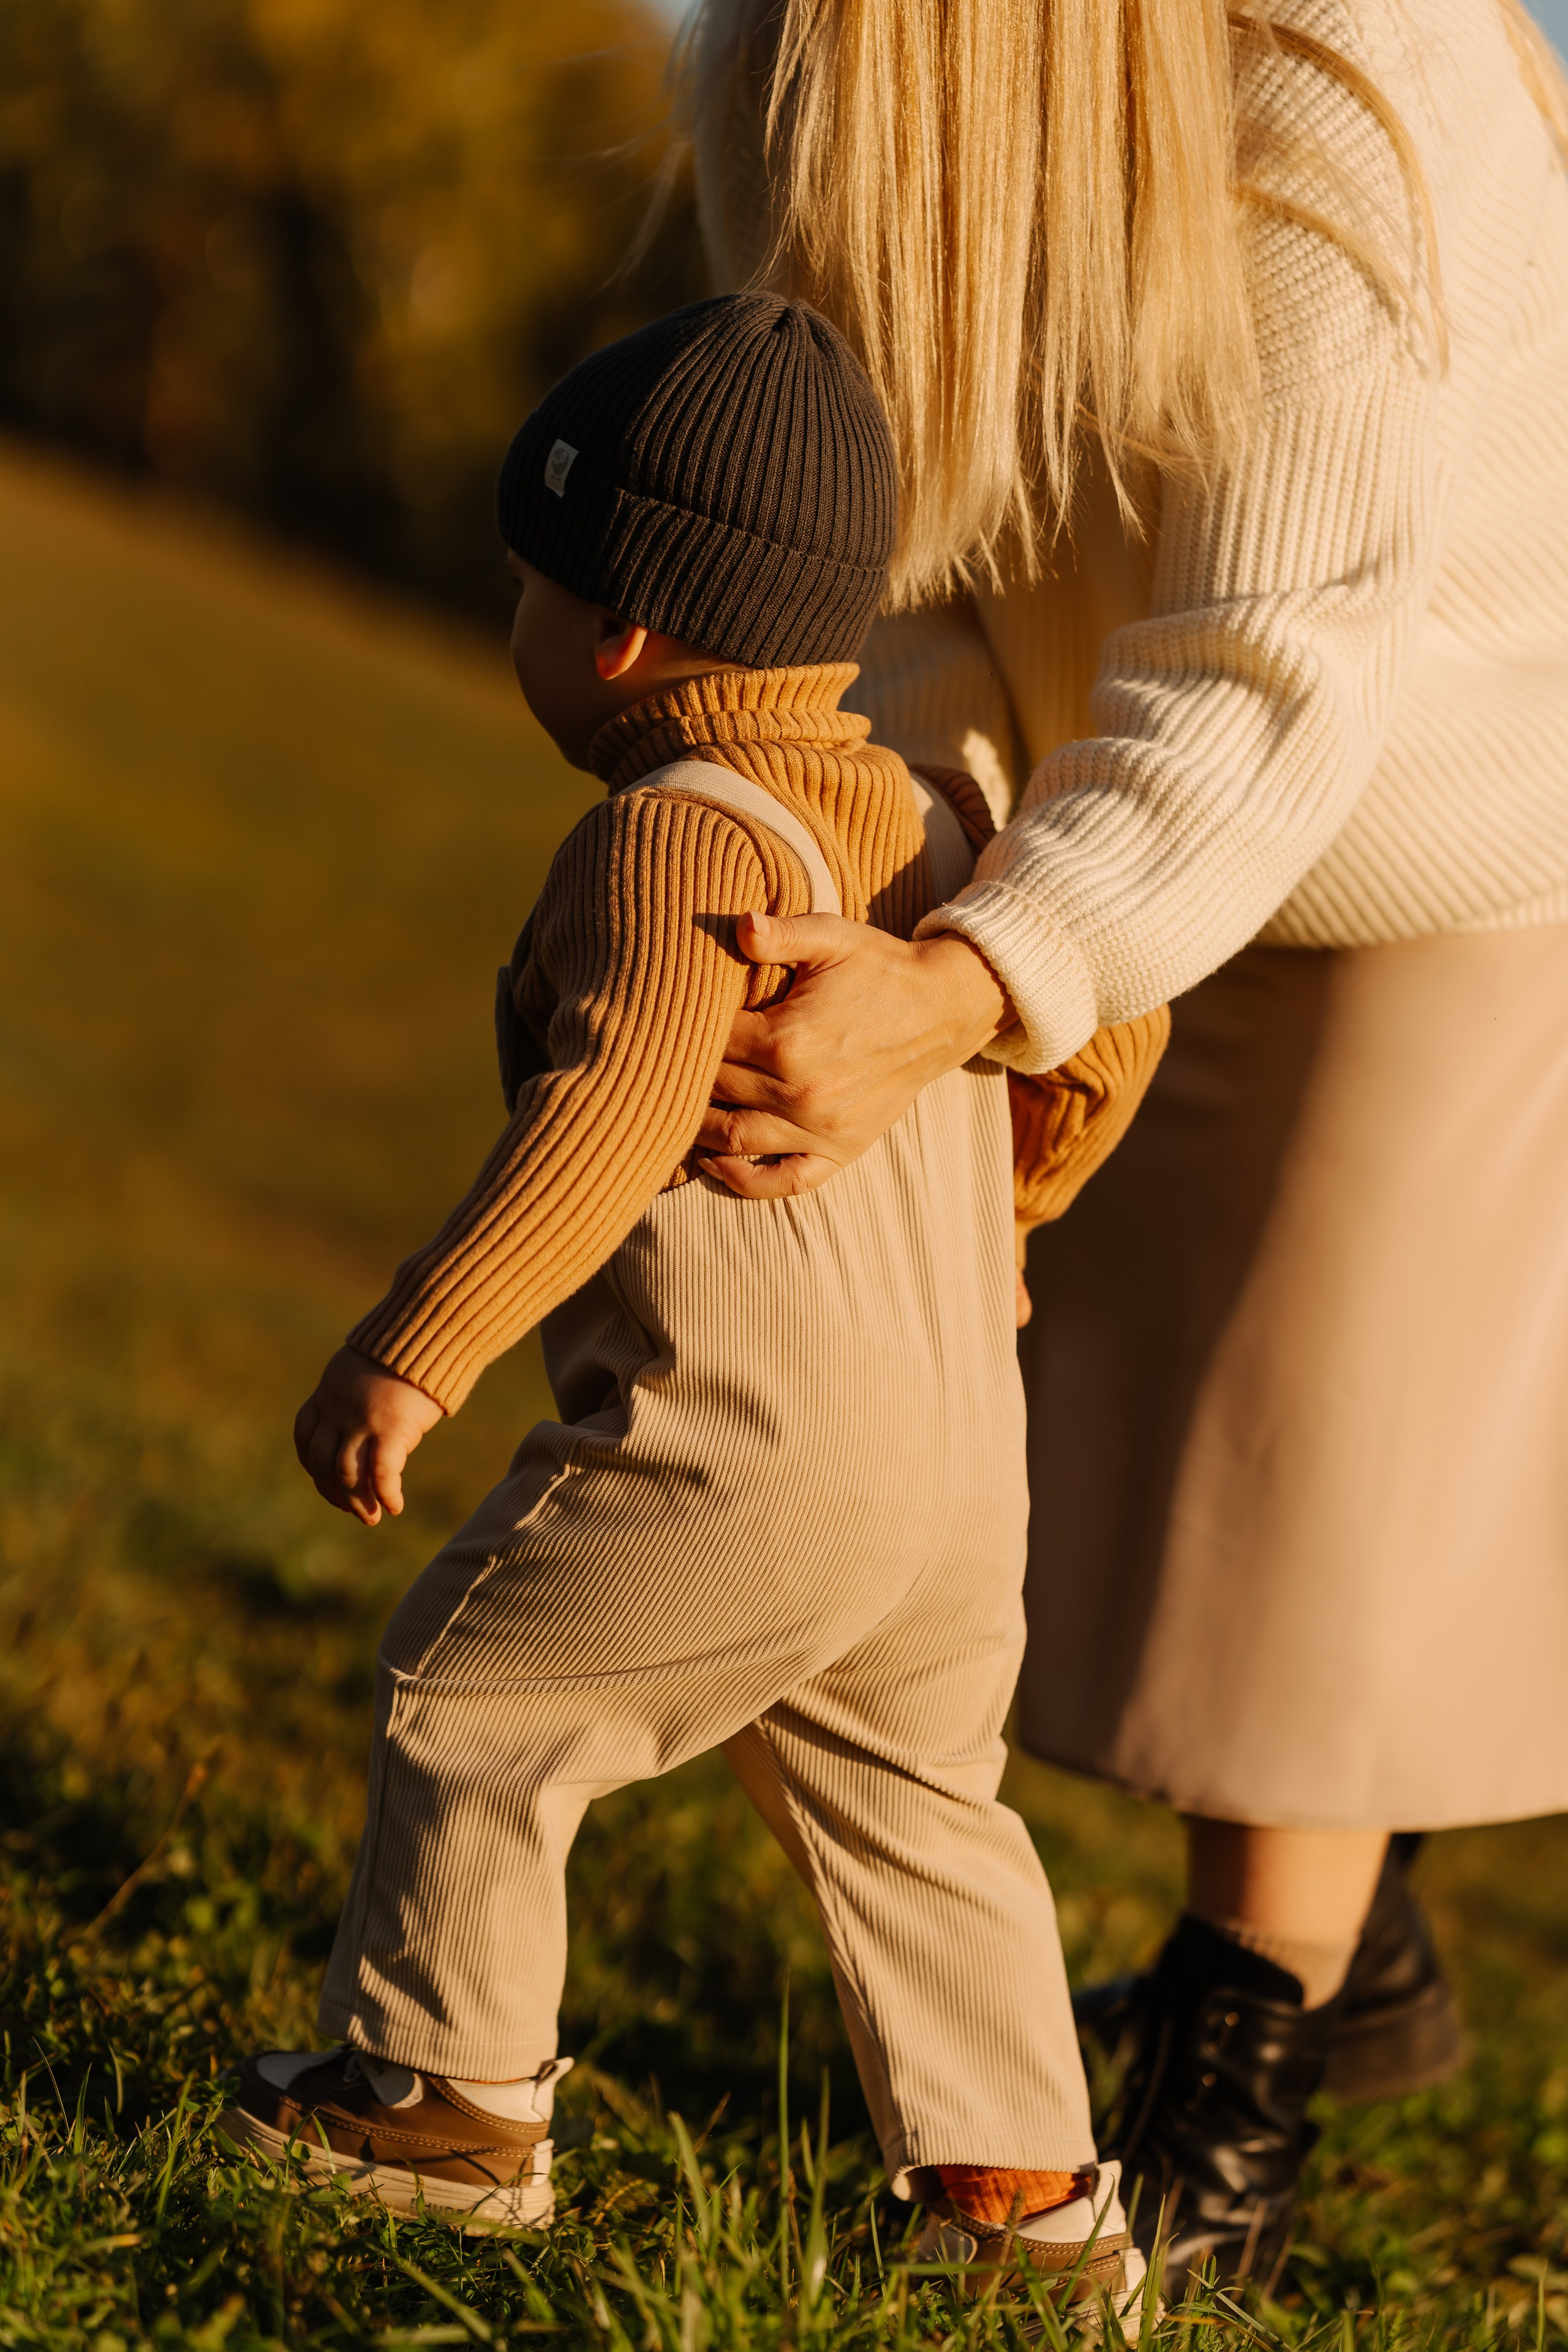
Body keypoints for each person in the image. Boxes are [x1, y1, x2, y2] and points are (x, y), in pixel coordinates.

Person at [679, 0, 1568, 2289]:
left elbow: (1277, 658)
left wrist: (979, 982)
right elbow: (928, 566)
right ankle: (1350, 1951)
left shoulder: (1344, 88)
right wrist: (938, 871)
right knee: (1123, 1430)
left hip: (1450, 838)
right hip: (1127, 806)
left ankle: (1235, 2091)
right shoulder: (857, 80)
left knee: (1310, 1469)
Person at [218, 291, 1165, 2298]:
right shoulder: (944, 834)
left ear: (622, 628)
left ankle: (442, 2111)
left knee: (475, 1704)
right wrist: (1012, 1209)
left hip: (754, 1454)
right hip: (956, 1477)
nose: (519, 622)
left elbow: (618, 1093)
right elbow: (1114, 1026)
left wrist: (421, 1345)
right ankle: (1022, 2214)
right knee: (922, 1803)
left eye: (525, 581)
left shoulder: (667, 838)